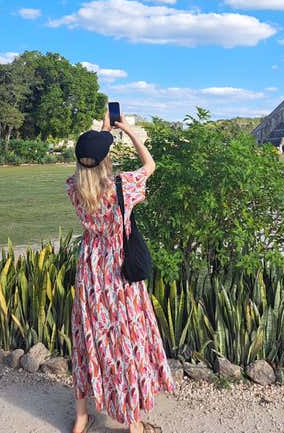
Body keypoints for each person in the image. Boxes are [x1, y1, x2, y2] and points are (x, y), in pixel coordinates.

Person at [66, 109, 174, 433]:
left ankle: (82, 417)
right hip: (118, 272)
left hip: (90, 269)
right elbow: (150, 166)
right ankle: (133, 424)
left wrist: (102, 134)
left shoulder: (73, 187)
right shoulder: (122, 186)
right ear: (106, 158)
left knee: (88, 340)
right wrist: (125, 129)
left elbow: (92, 159)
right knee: (124, 339)